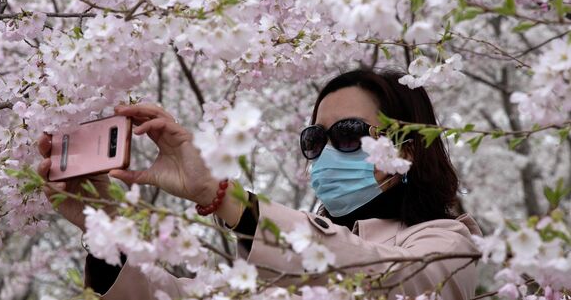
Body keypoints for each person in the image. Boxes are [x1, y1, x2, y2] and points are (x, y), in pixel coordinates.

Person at [36, 69, 481, 300]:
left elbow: (384, 282)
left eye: (348, 133)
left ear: (407, 149)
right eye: (315, 138)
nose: (326, 152)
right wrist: (104, 228)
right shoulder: (279, 264)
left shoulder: (448, 246)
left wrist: (221, 196)